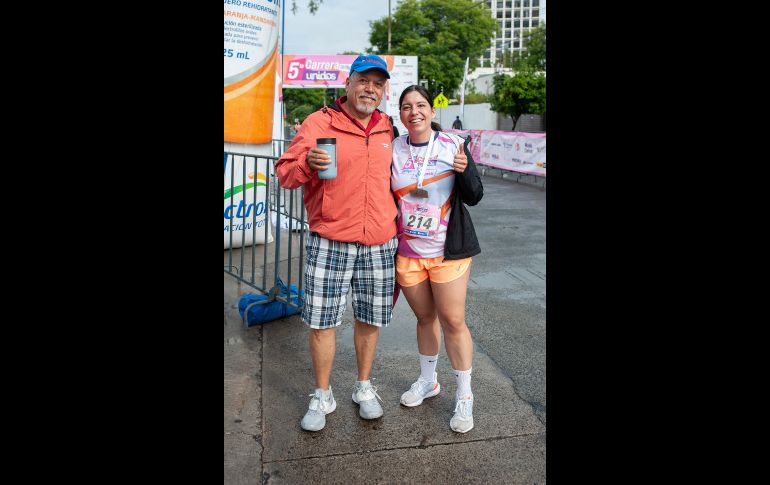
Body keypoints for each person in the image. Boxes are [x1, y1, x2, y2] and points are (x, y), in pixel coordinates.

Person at [275, 54, 399, 432]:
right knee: (322, 322)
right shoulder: (318, 122)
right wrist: (308, 163)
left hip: (379, 241)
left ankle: (363, 387)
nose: (370, 89)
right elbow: (285, 174)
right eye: (364, 81)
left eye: (378, 84)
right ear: (348, 83)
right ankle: (322, 393)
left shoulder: (388, 129)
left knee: (369, 319)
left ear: (383, 91)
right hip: (330, 240)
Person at [391, 85, 483, 433]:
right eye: (406, 107)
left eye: (420, 105)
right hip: (409, 253)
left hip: (447, 253)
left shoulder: (452, 146)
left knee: (453, 320)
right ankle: (429, 381)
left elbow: (475, 195)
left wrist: (465, 169)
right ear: (400, 114)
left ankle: (464, 395)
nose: (413, 112)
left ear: (432, 111)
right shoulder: (394, 149)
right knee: (424, 317)